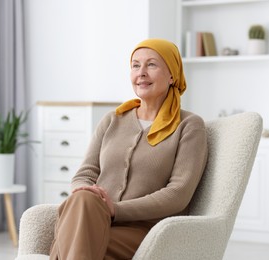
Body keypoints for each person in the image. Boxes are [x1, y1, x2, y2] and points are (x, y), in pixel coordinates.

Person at [49, 38, 208, 260]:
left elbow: (178, 194)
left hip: (147, 230)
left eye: (151, 65)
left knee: (71, 240)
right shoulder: (112, 120)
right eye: (135, 65)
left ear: (172, 75)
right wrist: (89, 194)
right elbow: (85, 174)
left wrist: (115, 209)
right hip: (95, 219)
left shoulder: (189, 125)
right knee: (83, 198)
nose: (141, 72)